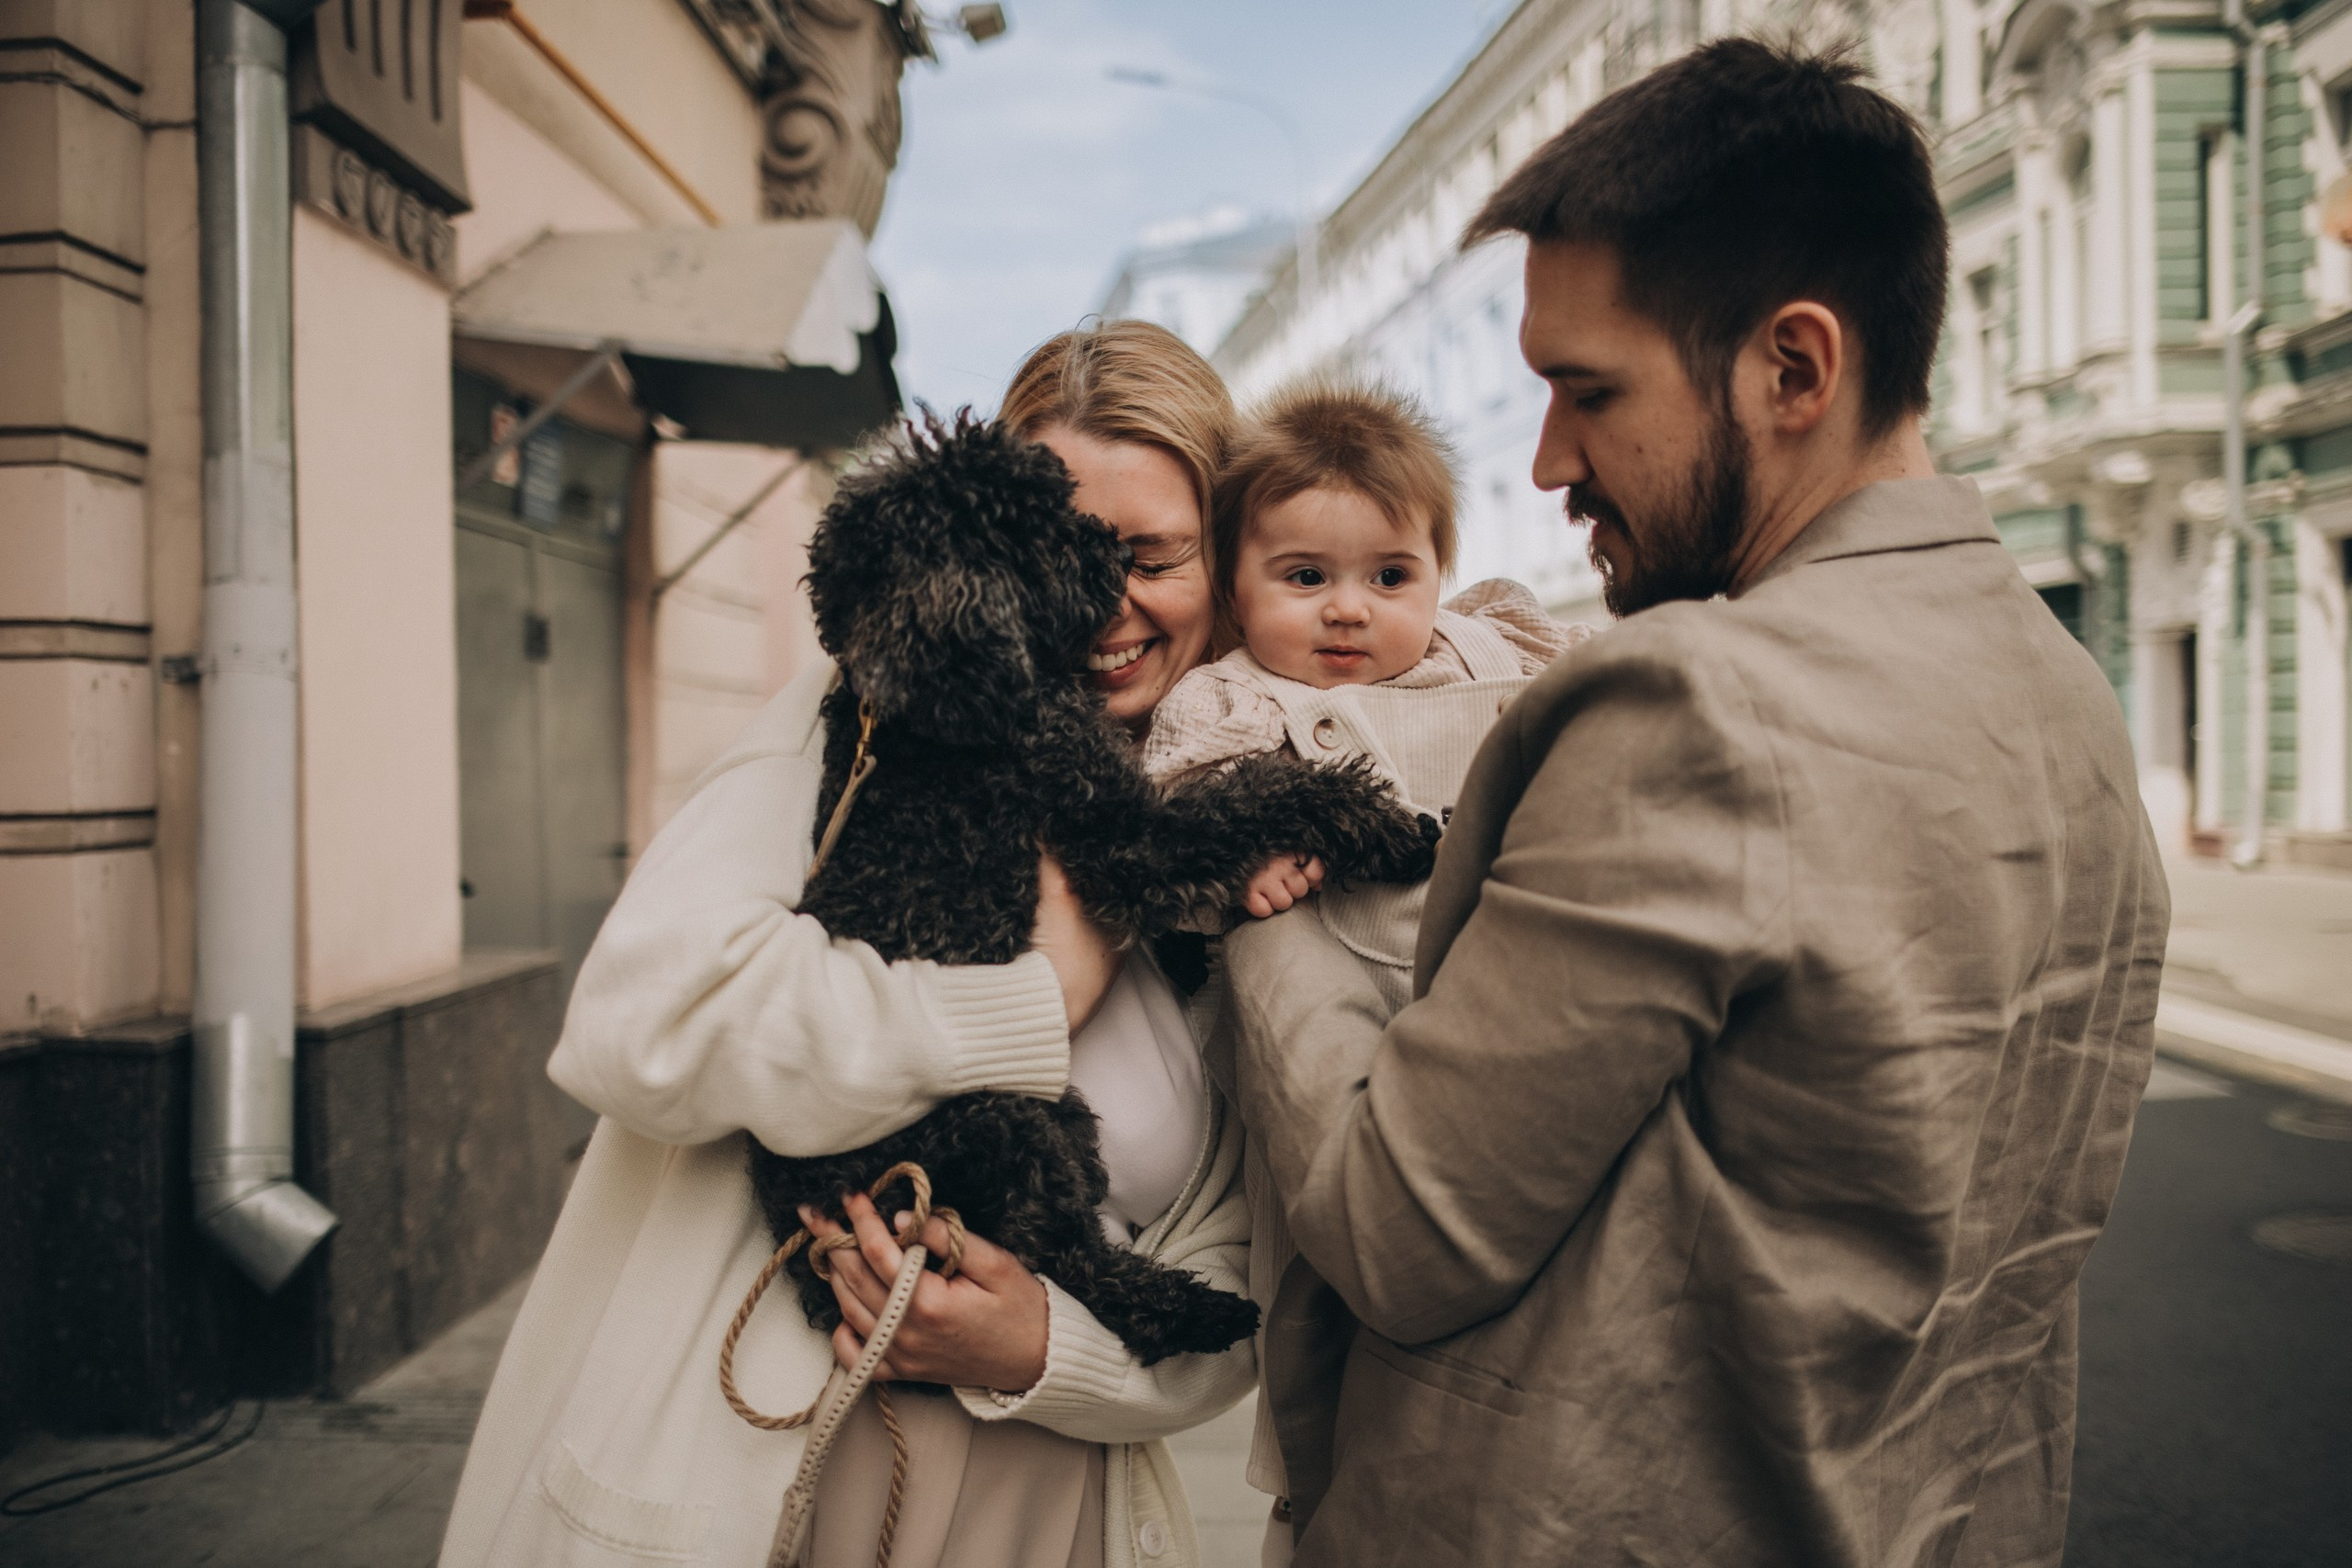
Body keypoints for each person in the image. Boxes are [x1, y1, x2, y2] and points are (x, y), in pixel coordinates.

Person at [1048, 40, 2170, 1566]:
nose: (1548, 460)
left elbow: (1397, 1230)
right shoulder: (2065, 688)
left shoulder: (1697, 707)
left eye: (1591, 391)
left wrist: (1266, 868)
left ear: (1794, 368)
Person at [437, 319, 1260, 1568]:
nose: (1098, 601)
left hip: (1047, 1507)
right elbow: (639, 1018)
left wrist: (1042, 1341)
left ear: (1228, 564)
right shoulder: (869, 719)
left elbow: (1251, 1288)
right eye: (1064, 550)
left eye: (1148, 555)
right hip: (768, 1470)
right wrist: (1030, 1001)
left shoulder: (1252, 845)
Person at [1143, 378, 1589, 1006]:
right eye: (1307, 576)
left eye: (1389, 576)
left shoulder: (1494, 644)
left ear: (1438, 577)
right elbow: (1170, 826)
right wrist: (1237, 863)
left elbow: (1617, 682)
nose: (1348, 609)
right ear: (1234, 592)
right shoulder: (1230, 699)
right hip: (1342, 1018)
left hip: (1525, 978)